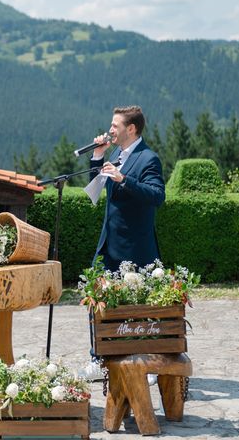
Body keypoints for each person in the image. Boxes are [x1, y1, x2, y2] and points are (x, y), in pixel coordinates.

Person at [80, 105, 165, 380]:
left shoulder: (148, 158)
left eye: (115, 126)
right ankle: (98, 359)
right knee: (97, 299)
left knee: (140, 307)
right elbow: (98, 186)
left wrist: (124, 179)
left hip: (136, 247)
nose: (110, 130)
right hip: (109, 243)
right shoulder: (115, 153)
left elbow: (157, 195)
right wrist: (97, 157)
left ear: (132, 128)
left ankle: (148, 362)